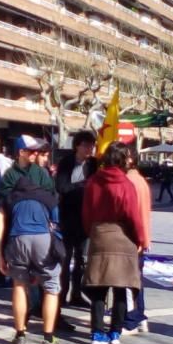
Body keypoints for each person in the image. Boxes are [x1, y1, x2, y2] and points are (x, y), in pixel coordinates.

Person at [0, 135, 67, 344]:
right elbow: (55, 212)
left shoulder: (8, 178)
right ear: (21, 152)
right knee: (51, 287)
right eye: (32, 151)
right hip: (42, 236)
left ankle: (20, 336)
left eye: (38, 152)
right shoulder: (43, 177)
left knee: (18, 285)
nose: (37, 154)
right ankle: (48, 339)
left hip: (17, 237)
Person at [81, 142, 147, 344]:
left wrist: (91, 232)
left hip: (100, 235)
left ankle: (97, 332)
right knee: (121, 287)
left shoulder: (93, 182)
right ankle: (115, 332)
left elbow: (86, 213)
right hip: (123, 236)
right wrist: (140, 239)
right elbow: (133, 216)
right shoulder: (126, 184)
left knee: (98, 287)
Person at [55, 131, 98, 309]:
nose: (89, 149)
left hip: (86, 217)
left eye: (91, 146)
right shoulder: (66, 162)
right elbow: (61, 187)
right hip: (67, 216)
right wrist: (83, 186)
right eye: (86, 145)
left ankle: (77, 293)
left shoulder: (94, 163)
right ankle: (62, 293)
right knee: (65, 257)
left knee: (82, 258)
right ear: (77, 146)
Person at [123, 146, 152, 334]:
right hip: (141, 237)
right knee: (136, 280)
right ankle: (139, 316)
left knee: (128, 281)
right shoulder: (140, 180)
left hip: (132, 237)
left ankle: (131, 319)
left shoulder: (129, 181)